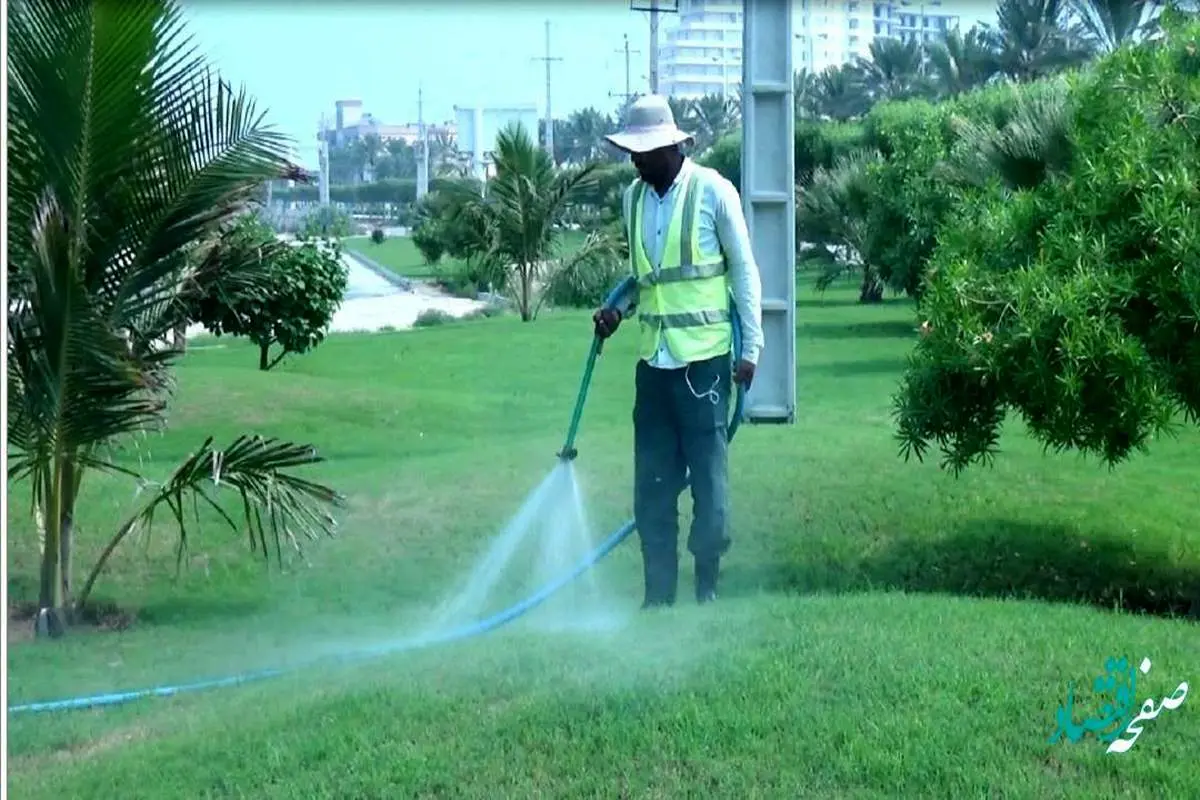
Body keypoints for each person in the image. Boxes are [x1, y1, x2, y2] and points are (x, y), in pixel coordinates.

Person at [594, 94, 764, 608]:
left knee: (709, 487)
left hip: (705, 366)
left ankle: (706, 585)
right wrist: (616, 310)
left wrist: (750, 346)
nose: (635, 161)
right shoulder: (633, 199)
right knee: (652, 486)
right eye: (631, 152)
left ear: (671, 147)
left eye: (643, 152)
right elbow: (648, 276)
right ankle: (657, 596)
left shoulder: (714, 191)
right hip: (653, 365)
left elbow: (744, 271)